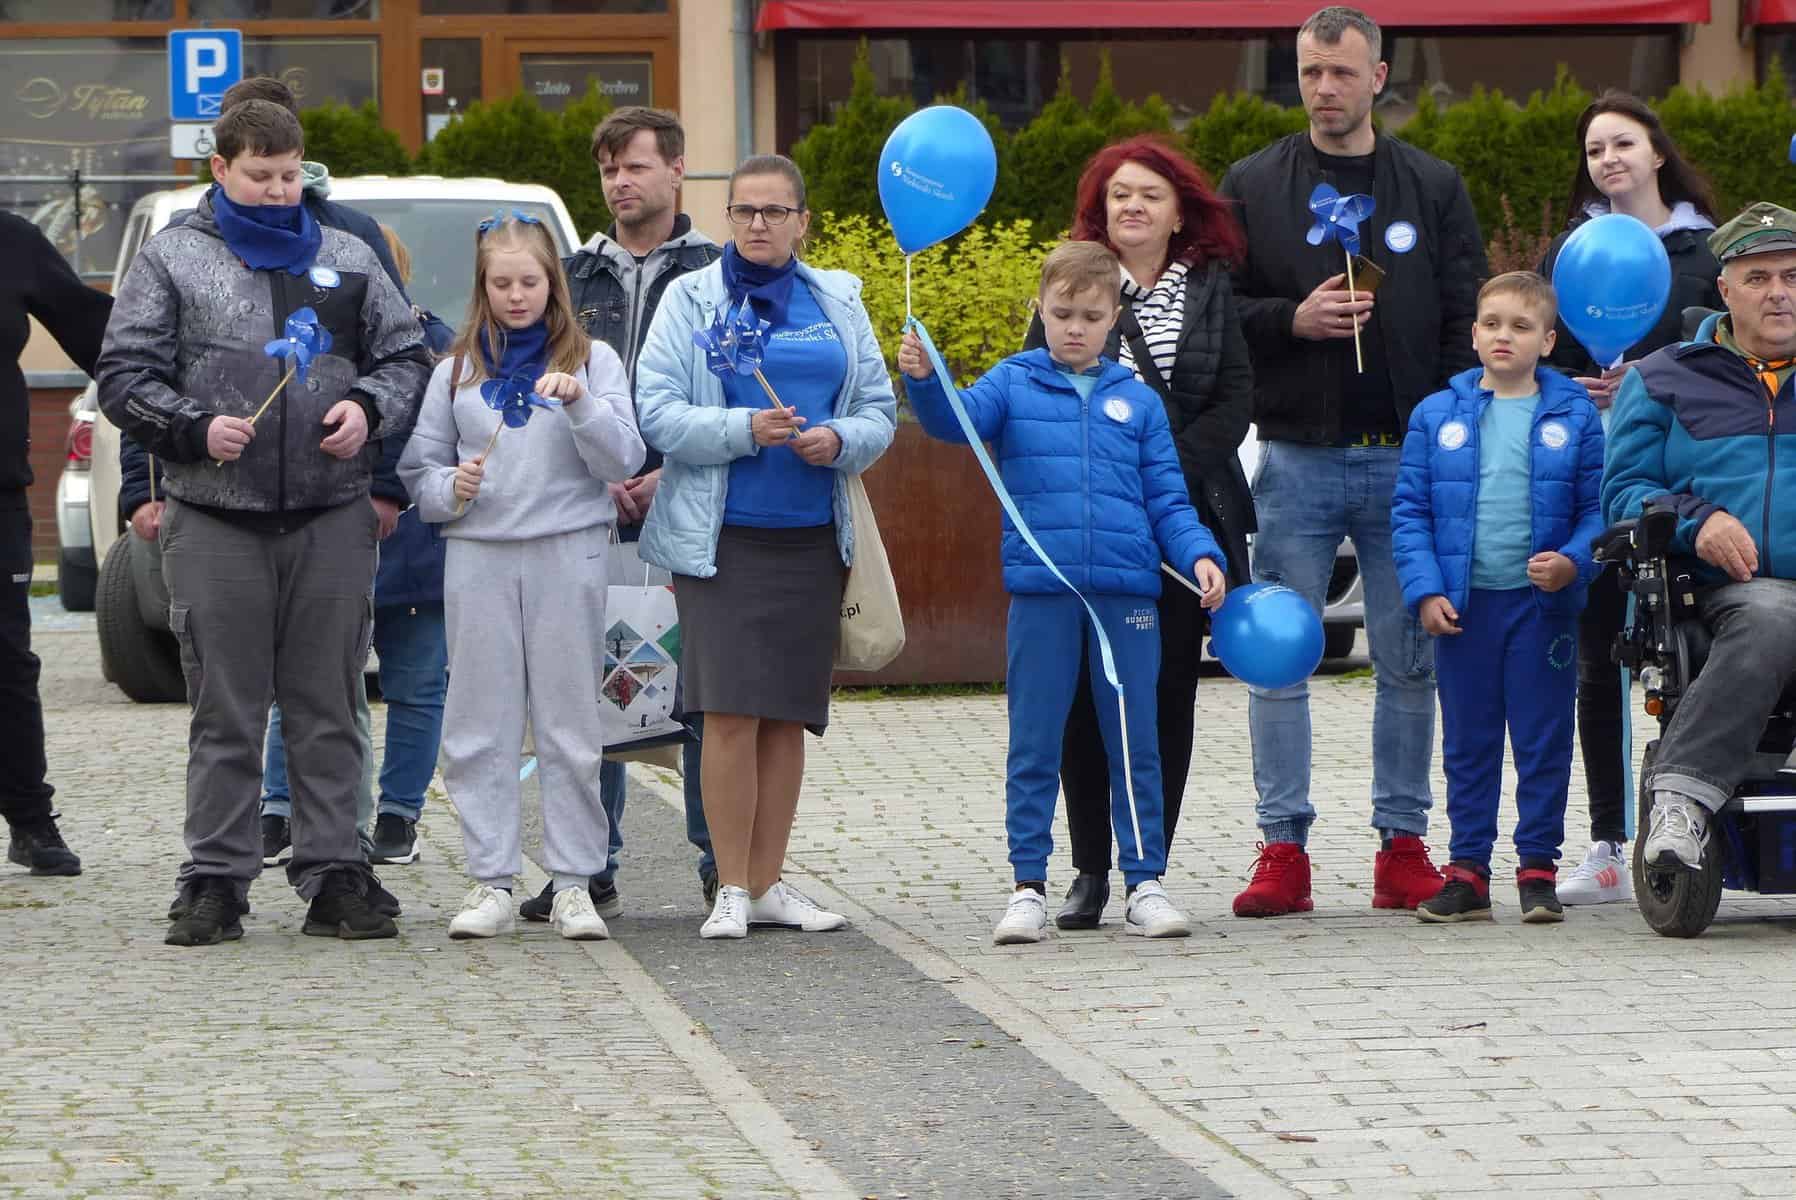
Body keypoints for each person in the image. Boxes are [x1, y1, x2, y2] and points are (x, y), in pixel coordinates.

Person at [97, 99, 431, 946]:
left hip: (330, 513)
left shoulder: (347, 254)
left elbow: (406, 355)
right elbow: (123, 374)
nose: (279, 191)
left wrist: (367, 407)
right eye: (260, 176)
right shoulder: (174, 257)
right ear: (220, 170)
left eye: (288, 175)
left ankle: (335, 872)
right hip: (216, 515)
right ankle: (215, 878)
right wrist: (191, 429)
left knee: (330, 702)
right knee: (226, 708)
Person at [1219, 5, 1486, 917]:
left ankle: (1402, 846)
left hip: (1406, 463)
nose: (1324, 88)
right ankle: (1282, 850)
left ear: (1378, 77)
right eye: (1309, 72)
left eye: (1341, 72)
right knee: (1278, 659)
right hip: (1295, 458)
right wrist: (1290, 319)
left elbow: (1463, 317)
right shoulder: (1253, 184)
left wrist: (1449, 436)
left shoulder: (1433, 185)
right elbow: (1221, 311)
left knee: (1409, 661)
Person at [901, 239, 1229, 945]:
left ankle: (1144, 882)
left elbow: (1168, 500)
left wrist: (1201, 554)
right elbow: (953, 422)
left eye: (1091, 316)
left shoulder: (1138, 402)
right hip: (1042, 594)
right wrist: (925, 379)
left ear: (1114, 318)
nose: (1075, 328)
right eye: (1061, 314)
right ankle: (1027, 886)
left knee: (1135, 739)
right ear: (1040, 311)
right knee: (1035, 739)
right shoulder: (1012, 382)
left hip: (1127, 596)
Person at [633, 153, 897, 940]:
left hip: (813, 537)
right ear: (728, 217)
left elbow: (879, 411)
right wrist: (744, 428)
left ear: (801, 222)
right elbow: (657, 413)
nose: (757, 224)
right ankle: (731, 888)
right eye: (744, 210)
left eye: (774, 211)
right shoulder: (690, 298)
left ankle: (772, 883)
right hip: (721, 539)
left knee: (786, 716)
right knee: (728, 713)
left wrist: (839, 439)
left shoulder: (837, 299)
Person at [1024, 134, 1255, 931]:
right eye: (1120, 193)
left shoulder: (1211, 288)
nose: (1133, 206)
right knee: (1083, 704)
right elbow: (1036, 394)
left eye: (1151, 194)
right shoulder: (1074, 282)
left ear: (1179, 211)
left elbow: (1235, 399)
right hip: (1089, 528)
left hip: (1188, 521)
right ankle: (1089, 869)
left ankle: (1145, 868)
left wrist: (1160, 467)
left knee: (1164, 700)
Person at [400, 211, 644, 941]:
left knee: (570, 720)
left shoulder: (593, 361)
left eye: (529, 282)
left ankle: (573, 881)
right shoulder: (455, 370)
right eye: (501, 283)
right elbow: (420, 471)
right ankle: (491, 877)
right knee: (480, 718)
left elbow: (624, 458)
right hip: (480, 553)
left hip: (569, 549)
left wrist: (582, 407)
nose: (516, 296)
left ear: (552, 284)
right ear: (483, 287)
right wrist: (451, 488)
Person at [516, 105, 723, 927]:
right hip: (589, 511)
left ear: (676, 168)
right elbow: (536, 393)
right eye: (608, 170)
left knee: (701, 691)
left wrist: (674, 470)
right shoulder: (570, 276)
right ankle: (585, 865)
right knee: (584, 689)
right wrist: (597, 472)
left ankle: (721, 862)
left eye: (635, 166)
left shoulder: (717, 274)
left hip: (693, 506)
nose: (620, 183)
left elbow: (734, 394)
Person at [1539, 91, 1722, 905]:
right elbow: (1542, 352)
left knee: (1692, 655)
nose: (1608, 160)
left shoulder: (1708, 254)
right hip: (1589, 479)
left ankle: (1695, 820)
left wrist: (1645, 380)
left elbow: (1724, 359)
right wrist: (1572, 384)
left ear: (1657, 153)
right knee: (1597, 656)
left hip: (1683, 481)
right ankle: (1608, 841)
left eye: (1622, 144)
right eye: (1594, 150)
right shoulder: (1568, 253)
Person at [1391, 271, 1604, 924]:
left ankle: (1538, 868)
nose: (1503, 336)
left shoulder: (1576, 414)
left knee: (1542, 739)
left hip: (1541, 611)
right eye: (1492, 324)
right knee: (1469, 742)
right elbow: (1410, 512)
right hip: (1465, 610)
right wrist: (1426, 590)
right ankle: (1467, 871)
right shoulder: (1436, 415)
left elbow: (1598, 509)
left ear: (1548, 340)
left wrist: (1572, 563)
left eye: (1520, 326)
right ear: (1474, 334)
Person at [1603, 202, 1796, 874]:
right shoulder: (1664, 376)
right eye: (1758, 278)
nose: (1778, 293)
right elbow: (1623, 492)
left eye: (1793, 277)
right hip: (1722, 590)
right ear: (1725, 290)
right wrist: (1697, 519)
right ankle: (1681, 802)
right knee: (1773, 612)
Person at [1, 212, 111, 878]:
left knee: (8, 663)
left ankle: (30, 820)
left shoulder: (11, 240)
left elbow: (100, 333)